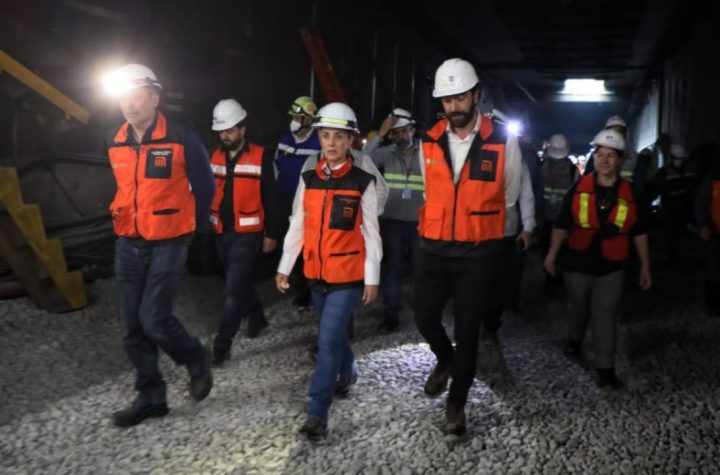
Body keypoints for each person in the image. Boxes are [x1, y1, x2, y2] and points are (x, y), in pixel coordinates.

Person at [414, 58, 524, 442]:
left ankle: (456, 405)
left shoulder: (502, 139)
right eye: (447, 100)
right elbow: (430, 192)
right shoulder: (428, 140)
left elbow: (509, 196)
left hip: (478, 252)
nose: (454, 107)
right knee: (424, 316)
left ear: (476, 95)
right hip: (435, 247)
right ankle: (444, 358)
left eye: (460, 97)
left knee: (468, 331)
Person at [103, 64, 215, 427]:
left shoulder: (182, 138)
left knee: (154, 318)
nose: (129, 105)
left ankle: (196, 358)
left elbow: (206, 186)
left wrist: (193, 231)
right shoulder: (115, 140)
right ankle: (151, 398)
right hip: (129, 242)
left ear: (154, 98)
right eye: (123, 98)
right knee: (132, 328)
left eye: (137, 97)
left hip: (169, 240)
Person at [275, 102, 382, 441]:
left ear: (351, 140)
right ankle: (348, 371)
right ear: (319, 138)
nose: (331, 143)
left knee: (325, 341)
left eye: (339, 137)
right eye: (325, 136)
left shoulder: (363, 180)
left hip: (348, 275)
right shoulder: (308, 178)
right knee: (332, 335)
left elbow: (371, 231)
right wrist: (284, 267)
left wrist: (372, 276)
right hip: (316, 275)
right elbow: (298, 225)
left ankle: (316, 414)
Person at [544, 128, 652, 389]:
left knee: (605, 313)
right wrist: (551, 256)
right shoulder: (577, 188)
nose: (603, 160)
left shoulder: (632, 192)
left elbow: (639, 230)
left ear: (620, 159)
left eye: (610, 156)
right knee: (579, 306)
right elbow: (562, 223)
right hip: (577, 262)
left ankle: (605, 369)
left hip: (612, 264)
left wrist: (645, 265)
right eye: (599, 154)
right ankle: (574, 340)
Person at [208, 99, 283, 365]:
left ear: (242, 130)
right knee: (237, 282)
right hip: (221, 232)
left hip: (248, 234)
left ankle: (222, 344)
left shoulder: (262, 156)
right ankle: (258, 318)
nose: (224, 135)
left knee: (231, 291)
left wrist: (272, 232)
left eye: (229, 130)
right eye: (221, 131)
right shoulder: (214, 155)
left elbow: (272, 198)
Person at [363, 108, 423, 333]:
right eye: (395, 133)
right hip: (394, 221)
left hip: (420, 222)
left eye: (403, 131)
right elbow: (363, 158)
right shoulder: (387, 153)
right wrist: (380, 134)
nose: (399, 136)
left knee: (421, 270)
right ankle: (391, 315)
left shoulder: (426, 153)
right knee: (394, 269)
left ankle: (423, 314)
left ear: (413, 130)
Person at [275, 96, 322, 308]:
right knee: (289, 244)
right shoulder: (285, 138)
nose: (294, 120)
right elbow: (276, 166)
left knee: (307, 249)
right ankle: (296, 285)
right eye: (293, 116)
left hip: (307, 205)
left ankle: (309, 292)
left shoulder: (318, 143)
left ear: (309, 120)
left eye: (298, 117)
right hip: (285, 199)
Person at [538, 134, 578, 284]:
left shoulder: (572, 170)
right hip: (546, 220)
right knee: (547, 252)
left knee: (560, 254)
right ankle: (551, 280)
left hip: (563, 222)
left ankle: (557, 280)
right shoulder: (542, 167)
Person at [652, 143, 697, 263]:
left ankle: (683, 261)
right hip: (670, 210)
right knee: (672, 236)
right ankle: (674, 260)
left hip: (685, 209)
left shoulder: (690, 170)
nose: (679, 161)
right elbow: (657, 188)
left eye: (681, 159)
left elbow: (695, 188)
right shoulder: (664, 172)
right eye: (677, 158)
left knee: (683, 236)